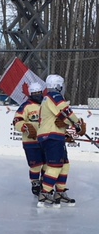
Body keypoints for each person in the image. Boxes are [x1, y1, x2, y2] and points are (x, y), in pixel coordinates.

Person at [36, 74, 86, 207]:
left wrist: (69, 129)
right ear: (58, 86)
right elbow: (66, 111)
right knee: (55, 165)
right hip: (51, 136)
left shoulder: (47, 98)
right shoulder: (54, 96)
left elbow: (60, 117)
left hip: (54, 136)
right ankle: (44, 193)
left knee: (64, 164)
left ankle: (60, 192)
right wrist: (78, 123)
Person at [12, 82, 46, 195]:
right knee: (35, 164)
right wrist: (25, 127)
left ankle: (45, 182)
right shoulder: (26, 106)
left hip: (46, 140)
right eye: (35, 93)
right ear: (31, 94)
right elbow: (17, 120)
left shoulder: (46, 105)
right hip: (31, 142)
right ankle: (35, 182)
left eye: (39, 93)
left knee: (47, 163)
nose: (38, 95)